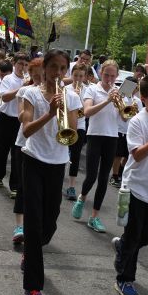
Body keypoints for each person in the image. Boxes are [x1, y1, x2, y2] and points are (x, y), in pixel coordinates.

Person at [21, 49, 81, 295]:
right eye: (53, 67)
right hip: (33, 161)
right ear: (44, 68)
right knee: (33, 223)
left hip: (57, 164)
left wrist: (63, 106)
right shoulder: (30, 94)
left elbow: (72, 131)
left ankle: (31, 249)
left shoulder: (73, 97)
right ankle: (33, 286)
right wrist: (48, 112)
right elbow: (26, 130)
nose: (58, 73)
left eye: (62, 68)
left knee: (50, 222)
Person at [111, 75, 148, 295]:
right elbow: (137, 155)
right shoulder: (137, 121)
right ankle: (124, 279)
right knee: (135, 235)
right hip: (135, 185)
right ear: (143, 99)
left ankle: (123, 246)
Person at [72, 60, 121, 232]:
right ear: (101, 73)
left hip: (112, 137)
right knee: (91, 176)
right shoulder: (92, 89)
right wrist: (108, 101)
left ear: (117, 76)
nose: (109, 78)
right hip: (94, 135)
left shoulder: (120, 92)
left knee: (103, 179)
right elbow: (87, 112)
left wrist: (127, 106)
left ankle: (94, 216)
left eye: (112, 75)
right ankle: (82, 197)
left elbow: (125, 118)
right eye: (106, 74)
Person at [13, 57, 44, 243]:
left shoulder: (56, 92)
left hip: (44, 147)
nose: (40, 79)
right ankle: (19, 225)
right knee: (23, 187)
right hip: (23, 143)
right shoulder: (26, 91)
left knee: (39, 192)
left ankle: (35, 226)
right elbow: (19, 117)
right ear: (31, 76)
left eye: (43, 75)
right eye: (36, 76)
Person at [0, 53, 29, 197]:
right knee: (2, 150)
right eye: (20, 64)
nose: (23, 68)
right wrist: (22, 88)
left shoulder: (30, 80)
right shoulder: (8, 78)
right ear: (14, 63)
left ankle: (15, 186)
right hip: (6, 118)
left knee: (17, 154)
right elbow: (5, 97)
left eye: (26, 65)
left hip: (21, 120)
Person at [109, 77, 143, 188]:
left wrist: (136, 110)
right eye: (131, 86)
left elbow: (141, 116)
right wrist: (128, 109)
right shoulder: (121, 96)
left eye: (135, 87)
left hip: (131, 131)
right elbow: (123, 117)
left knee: (128, 156)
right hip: (119, 129)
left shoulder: (137, 101)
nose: (134, 89)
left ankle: (120, 173)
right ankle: (114, 176)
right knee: (118, 155)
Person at [65, 63, 88, 200]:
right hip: (66, 125)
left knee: (75, 155)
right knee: (61, 153)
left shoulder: (88, 90)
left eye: (81, 76)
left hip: (80, 125)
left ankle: (71, 186)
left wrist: (79, 97)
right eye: (75, 75)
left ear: (84, 77)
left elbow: (86, 111)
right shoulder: (65, 88)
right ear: (71, 75)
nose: (78, 79)